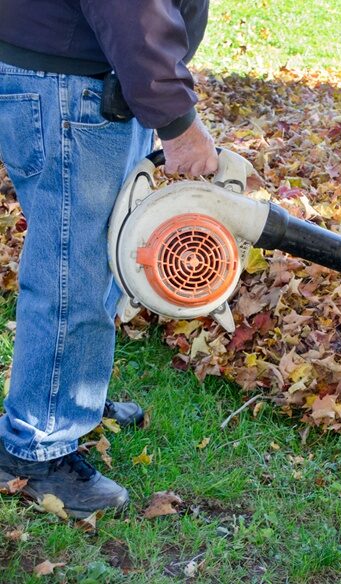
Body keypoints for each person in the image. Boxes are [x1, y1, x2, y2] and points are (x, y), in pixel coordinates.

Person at [0, 0, 218, 518]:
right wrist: (177, 119)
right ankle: (35, 447)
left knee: (98, 255)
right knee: (71, 269)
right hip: (68, 81)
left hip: (86, 72)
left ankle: (70, 397)